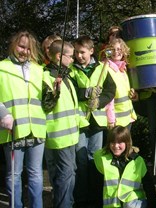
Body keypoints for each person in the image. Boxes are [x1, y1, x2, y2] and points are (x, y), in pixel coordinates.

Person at [0, 30, 47, 208]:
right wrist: (2, 113)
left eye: (28, 48)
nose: (24, 51)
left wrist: (54, 91)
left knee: (36, 174)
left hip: (36, 129)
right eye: (21, 46)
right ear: (13, 45)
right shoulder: (2, 67)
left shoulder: (38, 69)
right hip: (13, 128)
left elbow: (46, 99)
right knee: (14, 174)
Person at [70, 35, 116, 207]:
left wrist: (100, 101)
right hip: (81, 120)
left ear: (91, 51)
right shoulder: (72, 70)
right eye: (76, 52)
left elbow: (111, 90)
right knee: (80, 161)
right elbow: (72, 90)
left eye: (82, 52)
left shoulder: (101, 68)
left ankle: (96, 196)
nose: (79, 56)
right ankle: (81, 198)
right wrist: (86, 94)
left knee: (94, 158)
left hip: (97, 122)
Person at [42, 40, 79, 207]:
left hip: (70, 135)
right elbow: (46, 105)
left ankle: (65, 202)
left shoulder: (66, 77)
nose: (73, 59)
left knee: (67, 173)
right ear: (59, 56)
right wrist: (54, 92)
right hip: (58, 136)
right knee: (66, 173)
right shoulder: (47, 77)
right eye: (70, 56)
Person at [93, 125, 156, 208]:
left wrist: (152, 205)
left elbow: (148, 185)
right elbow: (96, 186)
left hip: (133, 203)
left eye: (120, 143)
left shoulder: (137, 161)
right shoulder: (102, 159)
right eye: (112, 142)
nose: (116, 146)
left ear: (127, 143)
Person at [103, 38, 137, 129]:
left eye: (119, 49)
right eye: (113, 49)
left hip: (128, 118)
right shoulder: (106, 69)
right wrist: (111, 120)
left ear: (124, 51)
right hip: (116, 121)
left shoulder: (123, 69)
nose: (116, 52)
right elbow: (107, 97)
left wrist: (133, 95)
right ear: (108, 51)